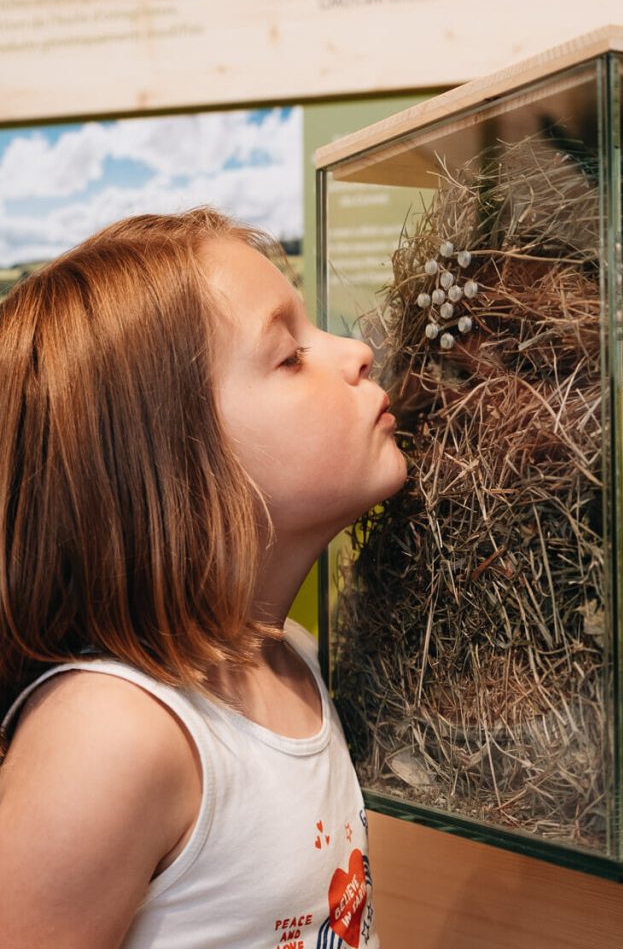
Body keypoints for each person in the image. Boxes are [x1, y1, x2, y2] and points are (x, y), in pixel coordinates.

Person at [0, 208, 407, 949]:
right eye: (289, 355)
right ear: (172, 459)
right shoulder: (112, 736)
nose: (357, 351)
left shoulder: (295, 659)